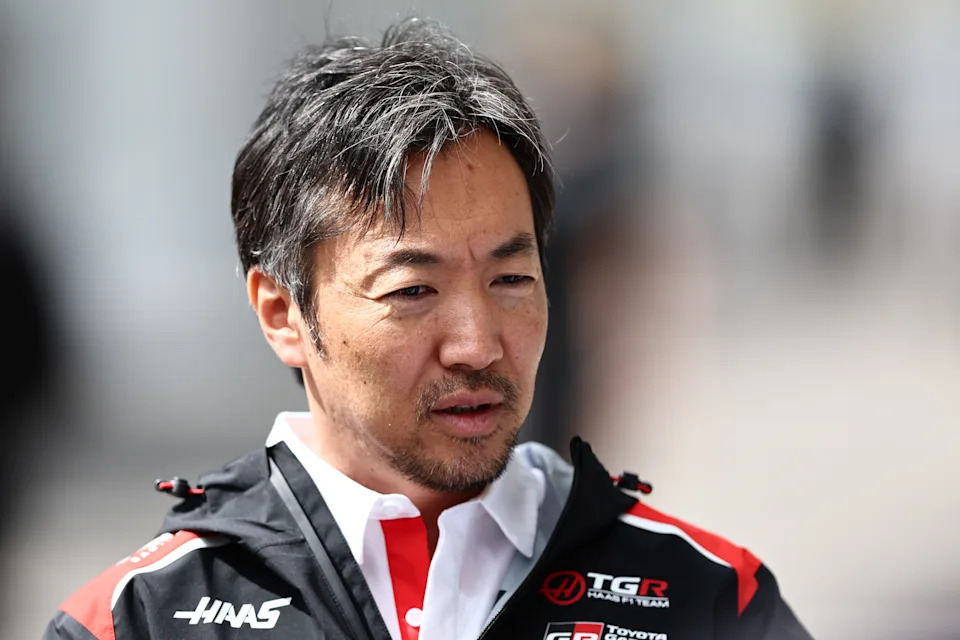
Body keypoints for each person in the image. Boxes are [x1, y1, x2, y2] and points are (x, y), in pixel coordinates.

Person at [43, 18, 811, 640]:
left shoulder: (711, 599)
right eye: (413, 290)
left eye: (512, 280)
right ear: (282, 314)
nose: (478, 344)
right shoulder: (138, 618)